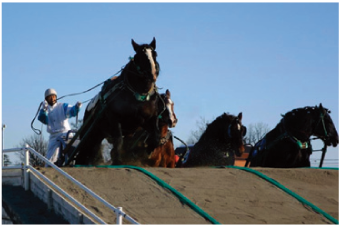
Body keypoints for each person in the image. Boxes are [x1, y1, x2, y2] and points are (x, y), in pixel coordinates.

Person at [38, 88, 82, 165]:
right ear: (46, 99)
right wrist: (44, 110)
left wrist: (77, 107)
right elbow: (43, 119)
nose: (52, 98)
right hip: (53, 136)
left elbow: (72, 111)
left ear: (56, 97)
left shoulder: (62, 106)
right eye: (49, 97)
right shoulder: (45, 109)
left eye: (53, 96)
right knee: (50, 158)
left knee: (71, 152)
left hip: (65, 134)